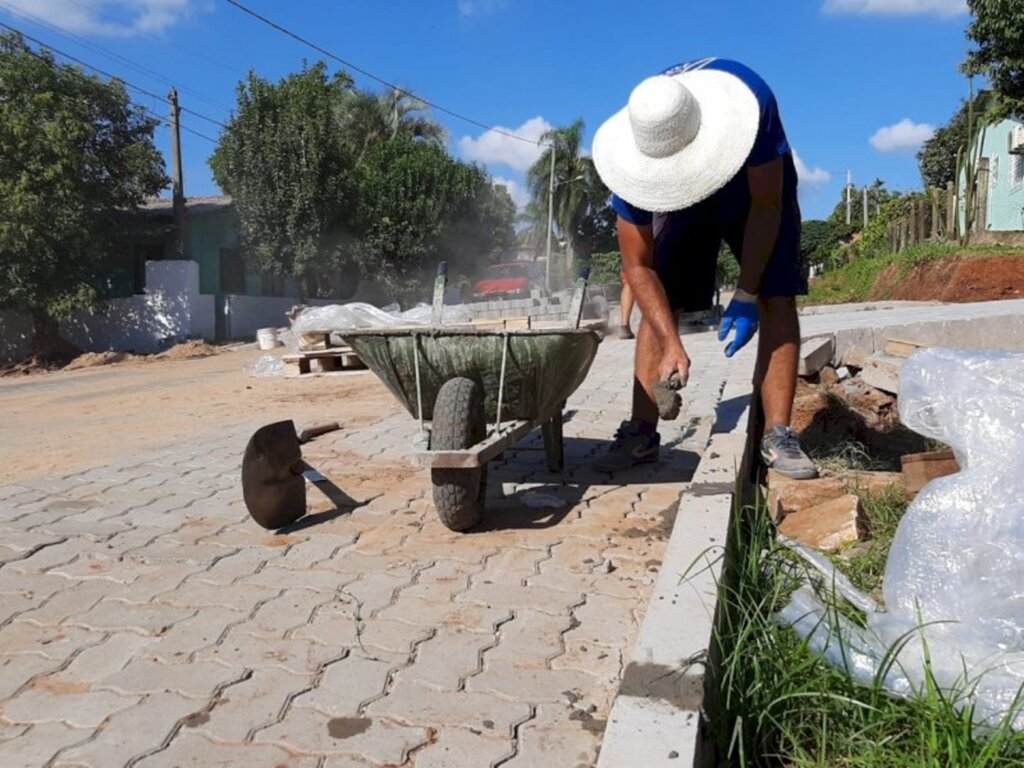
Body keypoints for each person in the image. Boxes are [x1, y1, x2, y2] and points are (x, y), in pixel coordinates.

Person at [590, 57, 817, 480]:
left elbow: (767, 208)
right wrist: (671, 341)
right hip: (682, 201)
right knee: (663, 297)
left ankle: (778, 434)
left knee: (776, 294)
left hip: (752, 186)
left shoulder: (750, 102)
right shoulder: (637, 154)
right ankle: (641, 430)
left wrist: (747, 292)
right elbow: (638, 268)